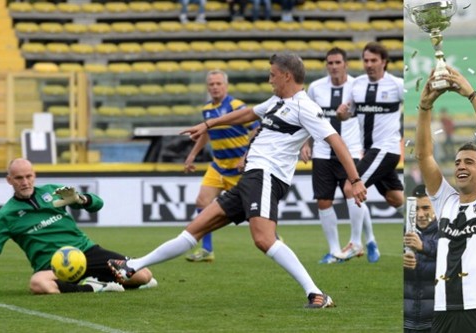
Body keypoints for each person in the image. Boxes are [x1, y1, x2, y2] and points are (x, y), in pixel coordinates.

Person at [108, 53, 367, 308]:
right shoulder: (277, 101)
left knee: (264, 239)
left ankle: (316, 294)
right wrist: (208, 125)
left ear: (287, 76)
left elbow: (337, 142)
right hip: (250, 179)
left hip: (266, 176)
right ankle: (133, 265)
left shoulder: (306, 107)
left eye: (273, 75)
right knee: (194, 230)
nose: (269, 80)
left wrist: (355, 180)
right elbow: (246, 115)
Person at [415, 66, 476, 332]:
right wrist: (424, 109)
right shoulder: (445, 201)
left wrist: (471, 96)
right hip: (444, 312)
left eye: (469, 162)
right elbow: (424, 156)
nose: (460, 166)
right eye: (458, 162)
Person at [0, 158, 157, 294]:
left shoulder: (52, 192)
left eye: (29, 176)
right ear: (9, 180)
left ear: (34, 175)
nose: (25, 182)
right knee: (38, 283)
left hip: (85, 252)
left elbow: (98, 205)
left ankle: (98, 279)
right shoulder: (7, 215)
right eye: (19, 178)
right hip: (53, 266)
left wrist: (82, 199)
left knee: (143, 275)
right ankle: (93, 287)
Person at [301, 47, 379, 264]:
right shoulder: (316, 88)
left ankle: (359, 241)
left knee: (351, 190)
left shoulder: (357, 86)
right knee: (324, 201)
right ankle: (335, 251)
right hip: (323, 152)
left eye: (338, 62)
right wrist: (305, 144)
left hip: (351, 149)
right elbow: (308, 119)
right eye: (330, 63)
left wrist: (367, 145)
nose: (334, 67)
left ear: (346, 64)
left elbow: (368, 116)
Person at [334, 41, 404, 261]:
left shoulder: (397, 85)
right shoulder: (357, 85)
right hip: (372, 151)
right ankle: (429, 225)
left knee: (350, 185)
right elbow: (347, 114)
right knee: (395, 199)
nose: (369, 64)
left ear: (384, 62)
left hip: (386, 148)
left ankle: (356, 243)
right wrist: (342, 113)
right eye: (366, 60)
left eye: (374, 60)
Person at [183, 70, 259, 262]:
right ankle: (207, 250)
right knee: (202, 202)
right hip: (218, 166)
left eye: (218, 84)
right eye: (211, 84)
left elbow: (257, 128)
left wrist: (247, 154)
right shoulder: (207, 109)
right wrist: (192, 155)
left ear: (226, 85)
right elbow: (206, 133)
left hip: (238, 169)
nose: (215, 87)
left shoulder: (236, 106)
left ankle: (272, 237)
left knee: (253, 211)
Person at [403, 184, 439, 333]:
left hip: (435, 322)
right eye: (416, 209)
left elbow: (450, 264)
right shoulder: (403, 232)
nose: (420, 214)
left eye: (425, 208)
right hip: (406, 321)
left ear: (435, 208)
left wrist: (423, 246)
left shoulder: (446, 232)